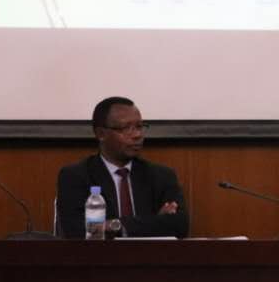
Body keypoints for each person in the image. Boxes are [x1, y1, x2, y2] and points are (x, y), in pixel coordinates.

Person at [56, 96, 189, 239]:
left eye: (139, 127)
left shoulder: (162, 176)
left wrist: (115, 225)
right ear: (101, 134)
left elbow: (179, 225)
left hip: (150, 253)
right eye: (126, 128)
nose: (137, 135)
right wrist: (155, 222)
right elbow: (76, 230)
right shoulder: (75, 176)